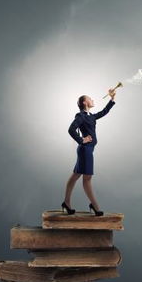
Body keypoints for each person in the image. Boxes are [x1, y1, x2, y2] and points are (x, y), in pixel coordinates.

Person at [62, 88, 117, 216]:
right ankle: (95, 206)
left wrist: (112, 98)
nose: (92, 100)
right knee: (87, 179)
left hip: (88, 149)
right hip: (85, 150)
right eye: (90, 98)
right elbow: (71, 129)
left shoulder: (91, 116)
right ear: (85, 103)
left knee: (76, 175)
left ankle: (66, 203)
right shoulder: (80, 116)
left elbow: (104, 111)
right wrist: (82, 139)